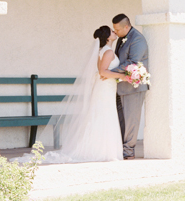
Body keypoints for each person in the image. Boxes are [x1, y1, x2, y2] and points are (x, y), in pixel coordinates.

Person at [38, 25, 124, 163]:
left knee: (101, 115)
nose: (115, 33)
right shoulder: (108, 52)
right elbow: (103, 72)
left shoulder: (103, 51)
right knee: (104, 115)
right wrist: (123, 76)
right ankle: (104, 152)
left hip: (105, 87)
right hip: (105, 88)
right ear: (107, 37)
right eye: (112, 31)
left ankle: (101, 149)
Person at [102, 14, 149, 160]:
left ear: (127, 27)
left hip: (133, 87)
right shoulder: (122, 38)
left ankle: (129, 151)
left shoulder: (137, 39)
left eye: (117, 29)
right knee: (121, 120)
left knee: (131, 121)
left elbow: (133, 62)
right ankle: (120, 148)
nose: (115, 32)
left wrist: (110, 72)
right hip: (120, 85)